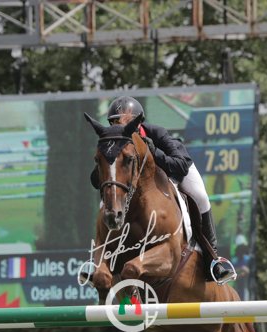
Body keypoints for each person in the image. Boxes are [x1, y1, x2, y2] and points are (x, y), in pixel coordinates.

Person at [90, 96, 236, 284]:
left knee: (200, 197)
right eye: (115, 122)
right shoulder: (114, 143)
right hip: (138, 182)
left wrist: (154, 152)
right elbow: (96, 180)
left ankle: (213, 260)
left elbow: (180, 166)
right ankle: (97, 261)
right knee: (107, 202)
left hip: (175, 170)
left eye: (125, 122)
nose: (120, 127)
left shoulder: (156, 133)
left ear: (137, 123)